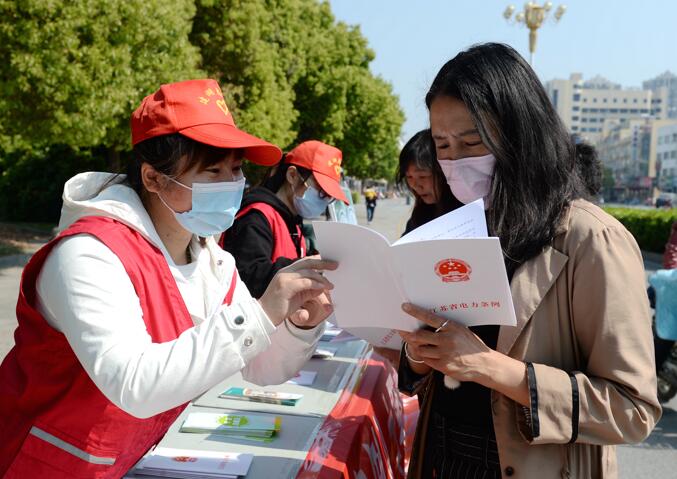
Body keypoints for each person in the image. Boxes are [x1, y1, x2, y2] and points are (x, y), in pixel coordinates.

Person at [0, 79, 337, 478]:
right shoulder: (89, 253)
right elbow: (134, 384)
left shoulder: (210, 258)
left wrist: (300, 323)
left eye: (236, 169)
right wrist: (261, 314)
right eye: (212, 172)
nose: (231, 185)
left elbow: (261, 367)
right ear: (153, 178)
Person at [397, 44, 661, 478]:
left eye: (471, 141)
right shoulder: (455, 228)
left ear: (521, 134)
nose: (455, 161)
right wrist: (419, 352)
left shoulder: (591, 239)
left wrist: (491, 368)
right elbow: (433, 367)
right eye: (442, 145)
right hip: (440, 453)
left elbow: (631, 409)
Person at [222, 140, 348, 298]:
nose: (324, 200)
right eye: (321, 192)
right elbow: (247, 277)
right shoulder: (256, 216)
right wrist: (306, 266)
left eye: (329, 197)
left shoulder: (292, 220)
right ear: (292, 175)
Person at [396, 128, 460, 235]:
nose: (415, 185)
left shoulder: (466, 214)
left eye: (422, 176)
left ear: (444, 173)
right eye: (409, 177)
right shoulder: (419, 215)